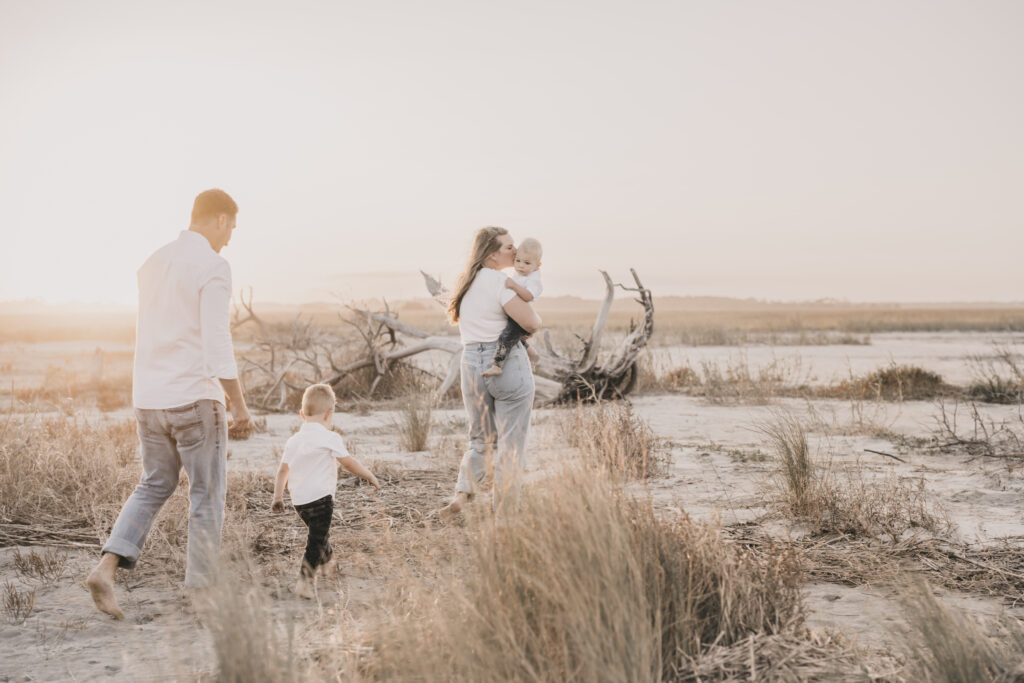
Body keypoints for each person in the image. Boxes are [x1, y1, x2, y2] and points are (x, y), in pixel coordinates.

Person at [86, 189, 252, 620]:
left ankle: (106, 568)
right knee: (207, 495)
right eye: (231, 227)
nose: (231, 237)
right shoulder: (214, 265)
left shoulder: (152, 262)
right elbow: (217, 341)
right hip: (194, 397)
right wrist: (239, 405)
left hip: (149, 399)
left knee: (154, 484)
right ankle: (201, 595)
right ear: (218, 220)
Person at [439, 227, 541, 519]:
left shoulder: (466, 283)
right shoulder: (501, 281)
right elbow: (531, 323)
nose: (516, 251)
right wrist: (537, 320)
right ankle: (505, 514)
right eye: (509, 247)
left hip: (471, 362)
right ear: (493, 253)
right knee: (511, 443)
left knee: (480, 438)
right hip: (505, 363)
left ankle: (461, 494)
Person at [271, 383, 380, 598]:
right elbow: (349, 463)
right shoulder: (330, 438)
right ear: (329, 415)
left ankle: (328, 562)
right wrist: (369, 475)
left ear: (302, 414)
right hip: (322, 500)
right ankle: (304, 581)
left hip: (299, 502)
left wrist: (277, 497)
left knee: (318, 535)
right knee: (315, 540)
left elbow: (282, 470)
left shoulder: (293, 441)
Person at [482, 237, 543, 377]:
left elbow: (528, 296)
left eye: (527, 263)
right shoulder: (522, 273)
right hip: (515, 316)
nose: (521, 266)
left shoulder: (534, 280)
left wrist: (514, 286)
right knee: (513, 338)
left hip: (521, 318)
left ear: (538, 265)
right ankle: (533, 354)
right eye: (518, 261)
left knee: (505, 338)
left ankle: (497, 365)